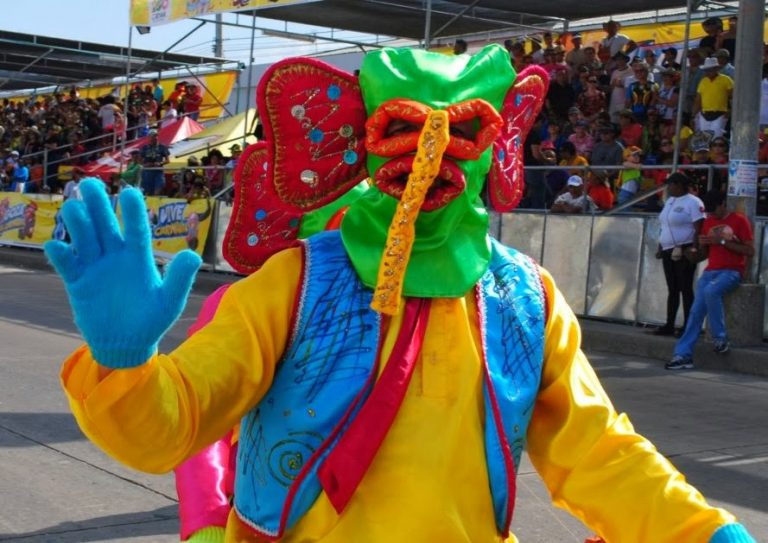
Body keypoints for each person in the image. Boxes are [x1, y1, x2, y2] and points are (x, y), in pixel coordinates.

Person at [44, 45, 756, 543]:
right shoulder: (295, 282)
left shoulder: (526, 298)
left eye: (462, 132)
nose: (432, 156)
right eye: (407, 131)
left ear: (495, 142)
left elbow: (599, 450)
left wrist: (700, 529)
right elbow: (181, 424)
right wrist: (125, 365)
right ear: (365, 138)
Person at [667, 191, 754, 369]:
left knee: (710, 291)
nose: (713, 215)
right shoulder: (708, 222)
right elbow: (702, 255)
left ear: (723, 204)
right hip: (710, 271)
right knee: (695, 313)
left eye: (715, 211)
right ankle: (682, 354)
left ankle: (720, 338)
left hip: (732, 271)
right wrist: (698, 249)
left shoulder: (739, 220)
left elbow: (750, 251)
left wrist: (721, 241)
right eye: (710, 212)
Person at [652, 173, 705, 336]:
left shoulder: (693, 202)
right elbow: (665, 225)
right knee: (673, 288)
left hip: (684, 249)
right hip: (668, 249)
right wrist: (661, 246)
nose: (669, 187)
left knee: (685, 288)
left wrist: (695, 249)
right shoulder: (670, 201)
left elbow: (698, 228)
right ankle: (669, 324)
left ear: (680, 185)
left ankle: (688, 326)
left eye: (671, 184)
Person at [692, 57, 733, 139]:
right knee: (704, 139)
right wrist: (693, 115)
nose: (708, 72)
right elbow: (698, 100)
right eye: (706, 70)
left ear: (716, 69)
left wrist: (730, 111)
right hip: (704, 114)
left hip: (720, 114)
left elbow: (733, 97)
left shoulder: (726, 79)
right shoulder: (703, 81)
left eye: (710, 70)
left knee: (717, 138)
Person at [139, 129, 170, 195]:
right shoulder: (145, 147)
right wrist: (145, 165)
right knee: (147, 193)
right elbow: (139, 161)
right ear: (149, 137)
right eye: (152, 136)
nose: (155, 138)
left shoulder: (162, 147)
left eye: (156, 136)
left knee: (157, 192)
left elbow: (168, 160)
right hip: (147, 173)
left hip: (158, 172)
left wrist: (160, 163)